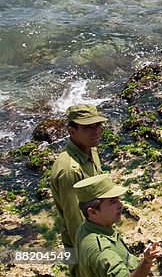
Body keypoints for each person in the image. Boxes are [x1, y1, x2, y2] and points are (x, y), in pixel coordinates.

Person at [74, 173, 162, 277]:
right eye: (112, 202)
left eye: (118, 199)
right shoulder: (103, 254)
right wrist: (146, 263)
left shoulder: (85, 228)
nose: (120, 205)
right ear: (93, 212)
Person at [50, 104, 107, 256]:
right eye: (88, 127)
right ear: (71, 131)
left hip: (100, 232)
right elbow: (75, 222)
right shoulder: (70, 170)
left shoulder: (91, 150)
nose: (95, 131)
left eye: (98, 125)